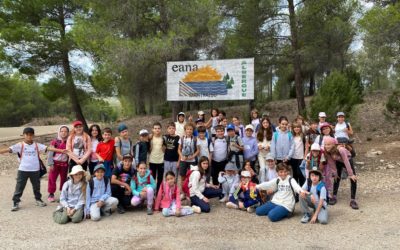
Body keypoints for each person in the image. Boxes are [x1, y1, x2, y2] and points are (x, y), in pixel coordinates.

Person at [0, 127, 64, 211]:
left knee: (36, 186)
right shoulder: (20, 145)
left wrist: (62, 151)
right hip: (23, 170)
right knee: (19, 186)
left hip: (35, 170)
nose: (29, 137)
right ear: (23, 135)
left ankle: (38, 199)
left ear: (33, 136)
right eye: (27, 135)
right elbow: (8, 150)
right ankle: (16, 202)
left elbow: (48, 148)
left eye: (31, 135)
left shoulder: (37, 145)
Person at [323, 137, 359, 209]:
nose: (327, 146)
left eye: (329, 144)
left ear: (333, 144)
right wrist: (335, 173)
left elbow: (346, 161)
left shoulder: (341, 149)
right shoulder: (327, 151)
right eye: (325, 144)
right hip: (338, 162)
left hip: (348, 161)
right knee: (337, 178)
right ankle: (334, 196)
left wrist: (351, 174)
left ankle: (353, 200)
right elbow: (331, 162)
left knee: (353, 179)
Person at [47, 125, 70, 202]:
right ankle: (51, 193)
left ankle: (62, 193)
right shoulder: (54, 142)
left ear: (68, 133)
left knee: (64, 179)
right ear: (59, 132)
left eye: (65, 131)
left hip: (64, 164)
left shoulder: (69, 142)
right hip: (55, 163)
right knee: (52, 178)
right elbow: (50, 153)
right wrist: (50, 163)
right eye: (62, 131)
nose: (63, 133)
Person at [178, 123, 200, 192]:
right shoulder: (181, 138)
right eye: (187, 129)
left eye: (191, 129)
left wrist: (193, 156)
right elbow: (179, 149)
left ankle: (191, 192)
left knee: (192, 177)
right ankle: (183, 192)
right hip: (183, 160)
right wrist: (181, 156)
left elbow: (198, 150)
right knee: (183, 177)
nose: (189, 131)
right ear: (185, 130)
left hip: (192, 160)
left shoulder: (195, 139)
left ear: (193, 130)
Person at [149, 122, 165, 193]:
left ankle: (159, 193)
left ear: (161, 129)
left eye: (158, 128)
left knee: (160, 179)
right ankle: (152, 193)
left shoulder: (164, 138)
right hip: (152, 161)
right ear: (152, 129)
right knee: (152, 179)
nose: (157, 130)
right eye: (155, 128)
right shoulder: (150, 138)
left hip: (161, 161)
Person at [289, 122, 306, 186]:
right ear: (293, 128)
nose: (296, 128)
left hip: (301, 157)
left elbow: (306, 146)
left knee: (300, 173)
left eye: (298, 127)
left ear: (300, 128)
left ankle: (302, 188)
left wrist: (305, 156)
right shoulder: (291, 136)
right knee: (295, 174)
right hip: (293, 157)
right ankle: (295, 189)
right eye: (295, 127)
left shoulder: (303, 136)